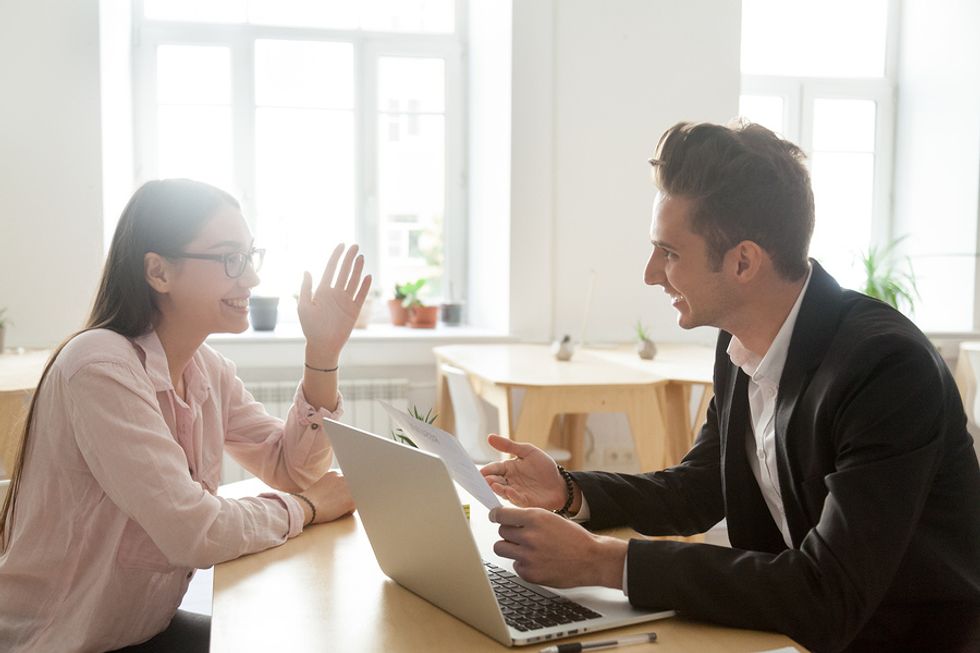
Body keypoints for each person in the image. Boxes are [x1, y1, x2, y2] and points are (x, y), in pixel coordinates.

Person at [481, 122, 980, 653]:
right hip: (799, 632)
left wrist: (604, 562)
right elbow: (697, 489)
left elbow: (828, 592)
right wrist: (570, 490)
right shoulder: (739, 342)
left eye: (668, 253)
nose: (651, 274)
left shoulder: (885, 369)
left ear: (743, 261)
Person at [0, 179, 372, 652]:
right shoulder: (100, 367)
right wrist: (308, 508)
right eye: (228, 258)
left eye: (250, 256)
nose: (251, 279)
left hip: (138, 629)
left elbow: (293, 469)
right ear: (159, 272)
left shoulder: (206, 369)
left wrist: (322, 352)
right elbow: (195, 532)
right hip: (58, 641)